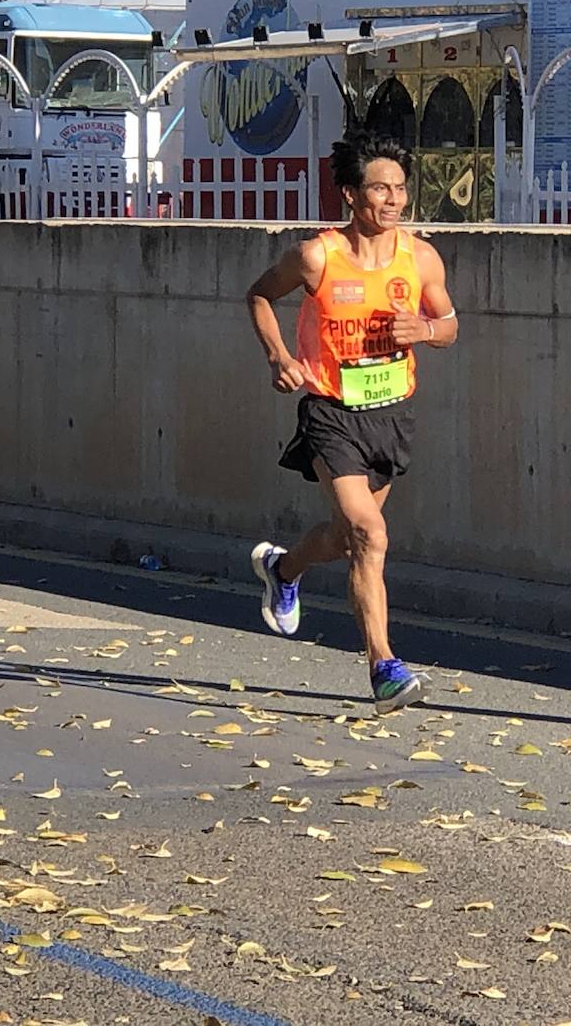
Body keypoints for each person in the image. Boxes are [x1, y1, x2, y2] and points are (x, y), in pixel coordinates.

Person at [244, 131, 458, 715]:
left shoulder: (420, 257)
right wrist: (280, 357)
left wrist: (426, 332)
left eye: (400, 189)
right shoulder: (318, 257)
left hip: (391, 412)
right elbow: (260, 295)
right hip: (330, 412)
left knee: (348, 538)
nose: (393, 200)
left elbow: (450, 324)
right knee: (371, 535)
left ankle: (282, 568)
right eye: (380, 189)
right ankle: (384, 666)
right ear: (349, 193)